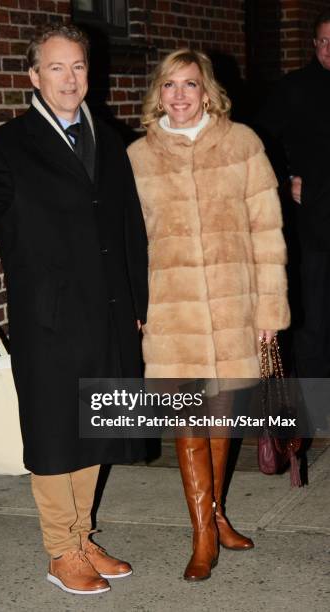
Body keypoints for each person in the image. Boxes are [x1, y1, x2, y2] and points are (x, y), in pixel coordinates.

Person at [0, 23, 148, 595]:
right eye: (56, 67)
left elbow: (129, 228)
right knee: (57, 431)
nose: (69, 78)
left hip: (108, 309)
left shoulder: (109, 139)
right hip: (50, 315)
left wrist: (137, 303)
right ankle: (60, 550)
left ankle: (82, 536)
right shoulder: (9, 143)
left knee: (95, 427)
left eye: (78, 66)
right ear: (34, 76)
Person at [127, 49, 290, 581]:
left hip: (234, 307)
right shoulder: (137, 157)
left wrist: (269, 309)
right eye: (169, 85)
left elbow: (268, 235)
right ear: (158, 93)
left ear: (206, 91)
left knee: (220, 420)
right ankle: (202, 535)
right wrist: (135, 307)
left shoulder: (243, 145)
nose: (178, 95)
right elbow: (128, 244)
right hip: (170, 314)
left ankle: (217, 516)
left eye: (189, 85)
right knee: (188, 424)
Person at [256, 10, 330, 380]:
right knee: (312, 319)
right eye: (324, 41)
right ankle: (315, 409)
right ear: (314, 44)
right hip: (313, 224)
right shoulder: (294, 87)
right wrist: (285, 181)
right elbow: (259, 140)